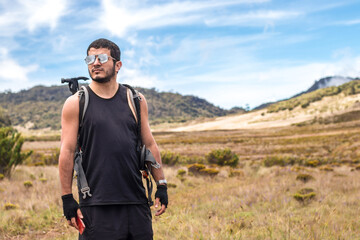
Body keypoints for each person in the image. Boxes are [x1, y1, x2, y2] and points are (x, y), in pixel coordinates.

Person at [58, 38, 168, 240]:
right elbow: (66, 151)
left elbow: (149, 144)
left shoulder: (136, 100)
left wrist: (161, 184)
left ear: (118, 65)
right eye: (90, 58)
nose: (95, 63)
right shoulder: (76, 103)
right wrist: (67, 198)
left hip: (136, 203)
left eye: (102, 58)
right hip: (96, 205)